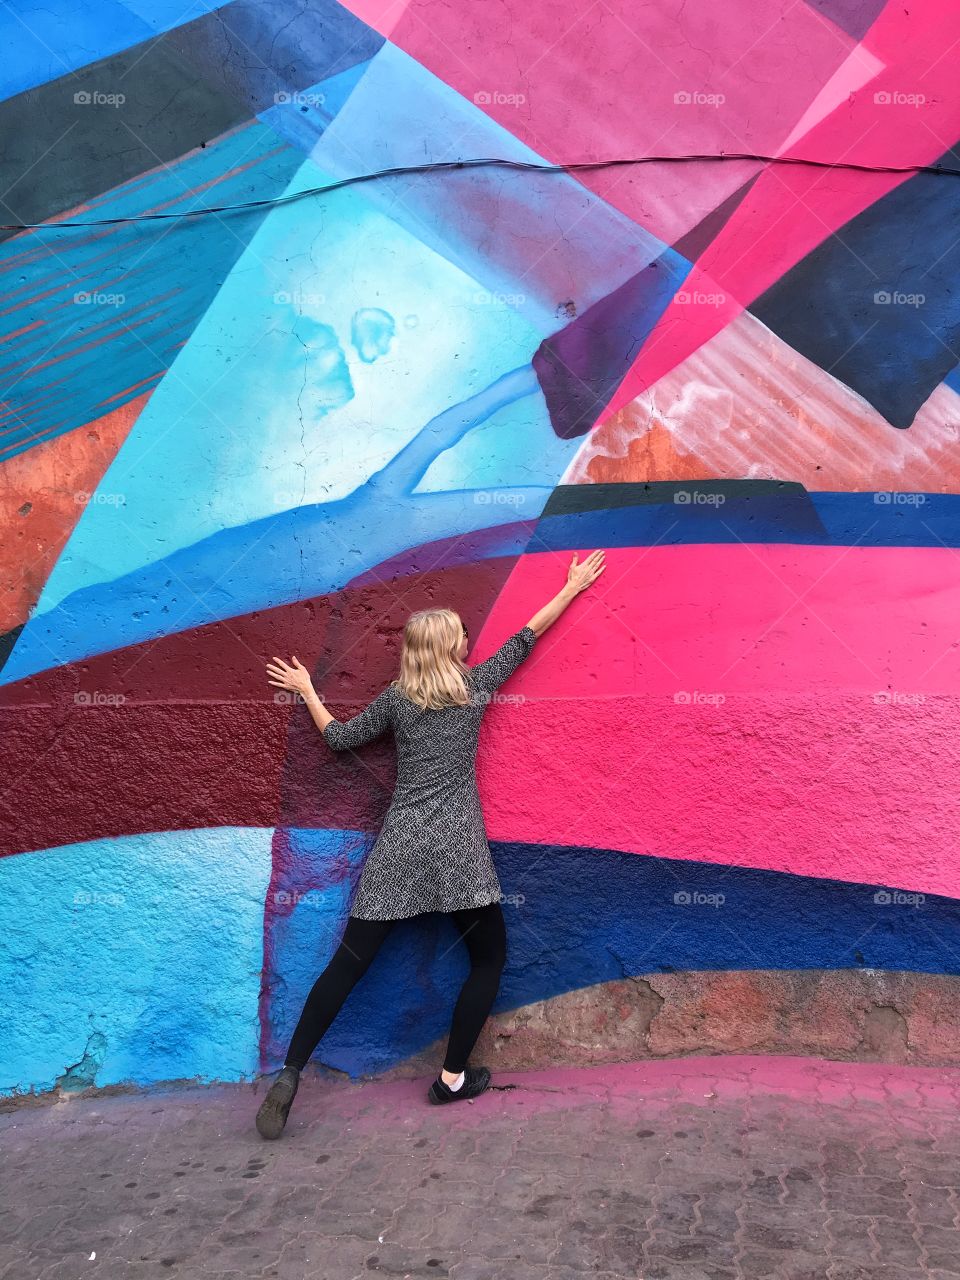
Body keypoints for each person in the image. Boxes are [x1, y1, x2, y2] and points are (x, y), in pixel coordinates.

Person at [255, 550, 606, 1139]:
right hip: (459, 851)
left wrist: (309, 690)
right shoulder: (474, 688)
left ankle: (290, 1073)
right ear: (450, 647)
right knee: (488, 959)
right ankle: (450, 1078)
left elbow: (340, 739)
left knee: (345, 966)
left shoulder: (397, 700)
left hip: (398, 849)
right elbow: (527, 635)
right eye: (463, 635)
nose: (470, 640)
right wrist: (570, 589)